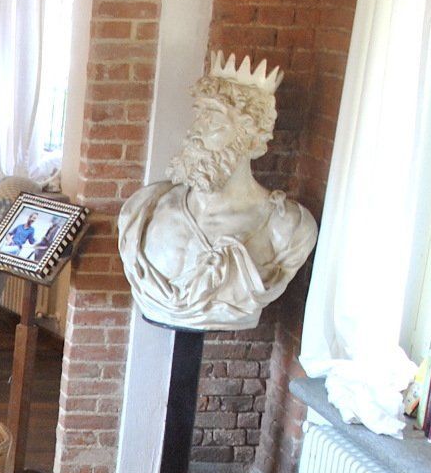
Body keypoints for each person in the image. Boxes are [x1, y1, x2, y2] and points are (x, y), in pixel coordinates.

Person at [117, 52, 317, 332]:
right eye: (199, 117)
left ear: (251, 139)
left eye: (215, 123)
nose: (195, 132)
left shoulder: (286, 227)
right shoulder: (146, 207)